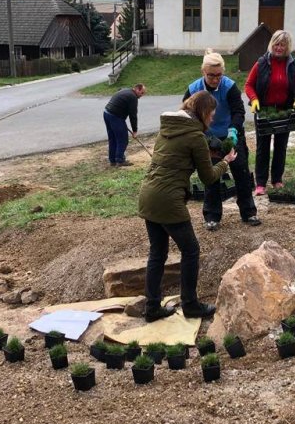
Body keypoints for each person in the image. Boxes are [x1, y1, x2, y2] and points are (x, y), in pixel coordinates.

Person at [138, 91, 237, 322]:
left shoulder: (167, 129)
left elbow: (177, 157)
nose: (212, 120)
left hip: (148, 195)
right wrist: (225, 162)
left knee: (157, 253)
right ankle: (191, 304)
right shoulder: (195, 137)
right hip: (168, 200)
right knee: (191, 250)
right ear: (203, 113)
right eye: (211, 115)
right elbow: (209, 178)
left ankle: (151, 308)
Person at [183, 50, 260, 230]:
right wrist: (201, 134)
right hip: (207, 137)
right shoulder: (194, 89)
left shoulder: (229, 87)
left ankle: (248, 212)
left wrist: (234, 129)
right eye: (211, 75)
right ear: (203, 72)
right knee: (211, 176)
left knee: (241, 173)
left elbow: (238, 111)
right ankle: (212, 215)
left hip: (231, 135)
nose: (215, 79)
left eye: (219, 75)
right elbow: (187, 114)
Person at [244, 30, 295, 196]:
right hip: (264, 110)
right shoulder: (262, 62)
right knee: (262, 147)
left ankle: (277, 179)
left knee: (281, 146)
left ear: (287, 47)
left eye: (282, 45)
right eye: (277, 44)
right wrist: (254, 99)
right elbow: (249, 85)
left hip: (285, 110)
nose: (279, 48)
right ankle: (261, 184)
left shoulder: (293, 64)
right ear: (272, 44)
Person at [103, 83, 146, 166]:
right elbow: (133, 115)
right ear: (137, 89)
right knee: (122, 139)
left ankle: (113, 160)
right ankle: (120, 160)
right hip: (115, 117)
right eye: (142, 93)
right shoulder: (133, 97)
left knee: (113, 138)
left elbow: (119, 90)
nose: (142, 95)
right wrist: (135, 131)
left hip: (107, 113)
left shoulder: (126, 90)